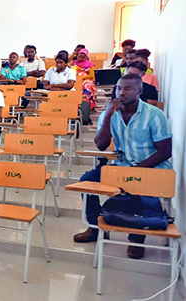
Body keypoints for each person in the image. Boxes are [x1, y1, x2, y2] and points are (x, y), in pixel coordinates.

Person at [73, 73, 172, 259]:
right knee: (87, 182)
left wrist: (136, 170)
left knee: (136, 187)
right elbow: (101, 145)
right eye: (119, 88)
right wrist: (109, 115)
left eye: (127, 89)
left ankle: (136, 239)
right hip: (122, 166)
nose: (121, 92)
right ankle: (94, 228)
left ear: (140, 91)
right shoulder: (109, 113)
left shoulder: (154, 115)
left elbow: (165, 151)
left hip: (153, 169)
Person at [73, 48, 97, 125]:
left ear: (86, 57)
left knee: (87, 85)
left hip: (86, 79)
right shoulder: (74, 63)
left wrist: (82, 77)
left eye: (82, 57)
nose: (80, 58)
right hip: (76, 79)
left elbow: (91, 75)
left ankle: (85, 103)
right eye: (79, 56)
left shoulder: (90, 65)